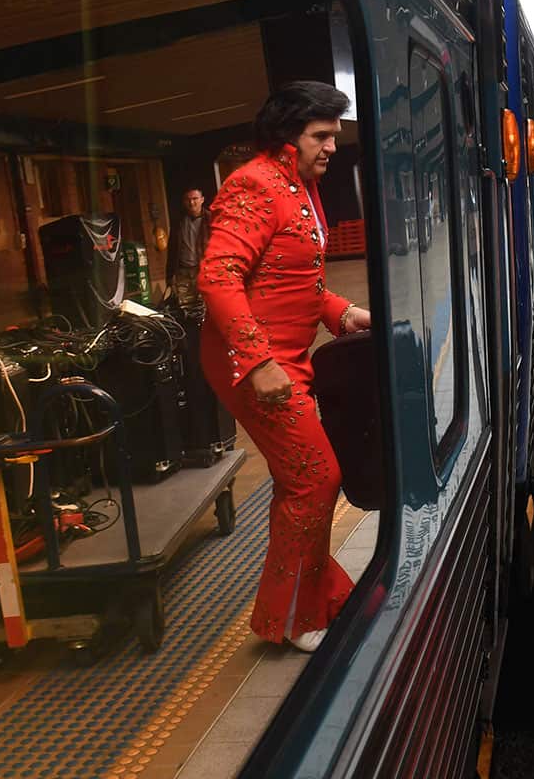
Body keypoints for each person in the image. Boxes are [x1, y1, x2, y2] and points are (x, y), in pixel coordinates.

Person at [198, 81, 371, 653]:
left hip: (285, 357)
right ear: (287, 135)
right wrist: (256, 361)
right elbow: (218, 277)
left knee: (303, 480)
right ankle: (295, 618)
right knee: (316, 477)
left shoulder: (298, 186)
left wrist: (345, 313)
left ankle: (301, 601)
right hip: (255, 362)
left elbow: (297, 281)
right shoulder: (253, 185)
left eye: (334, 136)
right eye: (320, 136)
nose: (331, 147)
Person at [166, 188, 208, 304]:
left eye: (195, 199)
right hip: (183, 271)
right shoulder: (179, 221)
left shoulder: (210, 220)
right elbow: (172, 249)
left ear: (202, 200)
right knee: (185, 305)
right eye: (188, 200)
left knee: (205, 304)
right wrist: (170, 275)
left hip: (203, 270)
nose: (191, 203)